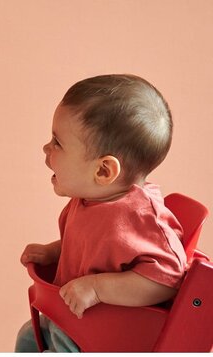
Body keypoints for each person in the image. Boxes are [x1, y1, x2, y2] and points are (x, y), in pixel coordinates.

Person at [15, 74, 187, 352]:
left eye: (57, 142)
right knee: (27, 337)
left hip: (106, 335)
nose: (46, 148)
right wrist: (55, 251)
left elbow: (167, 280)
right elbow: (101, 250)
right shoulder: (91, 199)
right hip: (74, 321)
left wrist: (97, 288)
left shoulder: (140, 219)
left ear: (103, 171)